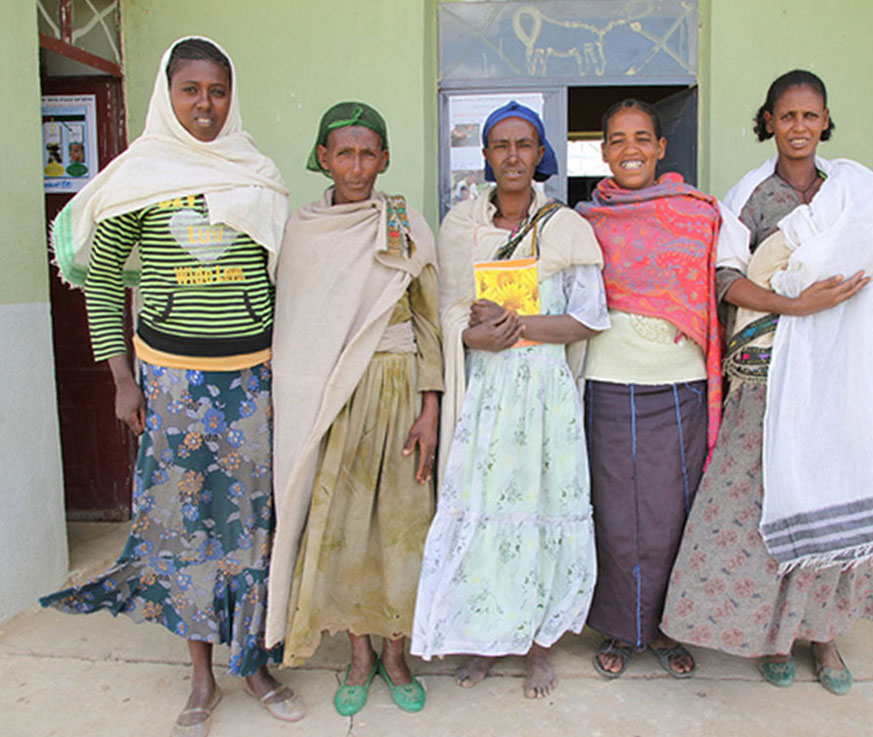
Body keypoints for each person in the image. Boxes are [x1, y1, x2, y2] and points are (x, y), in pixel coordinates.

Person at [41, 37, 304, 736]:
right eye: (191, 90)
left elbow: (286, 280)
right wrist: (121, 378)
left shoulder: (256, 173)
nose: (206, 106)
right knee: (187, 526)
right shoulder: (142, 176)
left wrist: (290, 378)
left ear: (231, 94)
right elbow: (101, 280)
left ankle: (254, 661)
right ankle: (201, 676)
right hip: (172, 386)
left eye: (217, 91)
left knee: (253, 527)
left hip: (252, 381)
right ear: (168, 93)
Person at [660, 70, 873, 695]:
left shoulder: (854, 192)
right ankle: (772, 640)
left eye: (810, 116)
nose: (799, 127)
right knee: (761, 508)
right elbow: (724, 280)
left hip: (837, 376)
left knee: (825, 497)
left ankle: (823, 639)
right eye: (787, 116)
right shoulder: (750, 196)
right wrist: (798, 306)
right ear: (769, 121)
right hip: (765, 376)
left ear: (825, 121)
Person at [410, 101, 610, 699]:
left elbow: (587, 318)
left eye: (525, 144)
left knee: (543, 510)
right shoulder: (461, 226)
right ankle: (482, 639)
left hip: (546, 396)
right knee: (484, 512)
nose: (514, 155)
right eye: (501, 145)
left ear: (540, 153)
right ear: (486, 155)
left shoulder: (566, 226)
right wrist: (470, 336)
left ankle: (538, 647)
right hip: (487, 395)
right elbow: (448, 310)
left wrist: (517, 326)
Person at [264, 102, 441, 716]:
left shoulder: (405, 223)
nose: (357, 166)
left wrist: (431, 406)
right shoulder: (302, 231)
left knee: (400, 527)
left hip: (396, 393)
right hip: (330, 401)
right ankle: (358, 654)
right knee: (338, 530)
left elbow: (427, 321)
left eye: (369, 154)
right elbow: (294, 325)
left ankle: (396, 654)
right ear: (323, 157)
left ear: (385, 159)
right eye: (345, 153)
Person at [574, 99, 723, 679]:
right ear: (604, 150)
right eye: (616, 139)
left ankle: (667, 628)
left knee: (673, 515)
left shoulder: (699, 215)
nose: (629, 148)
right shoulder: (587, 222)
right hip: (609, 382)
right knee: (612, 514)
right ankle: (618, 628)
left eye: (642, 137)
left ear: (662, 149)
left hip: (679, 385)